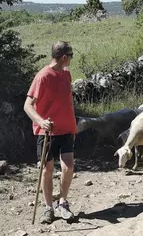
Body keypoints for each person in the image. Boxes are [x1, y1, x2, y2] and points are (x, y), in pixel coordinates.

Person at [24, 41, 77, 224]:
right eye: (70, 56)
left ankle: (62, 202)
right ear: (64, 57)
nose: (71, 60)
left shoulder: (67, 74)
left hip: (67, 129)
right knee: (47, 170)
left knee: (68, 166)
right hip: (46, 132)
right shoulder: (43, 76)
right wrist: (40, 121)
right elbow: (27, 105)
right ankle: (48, 208)